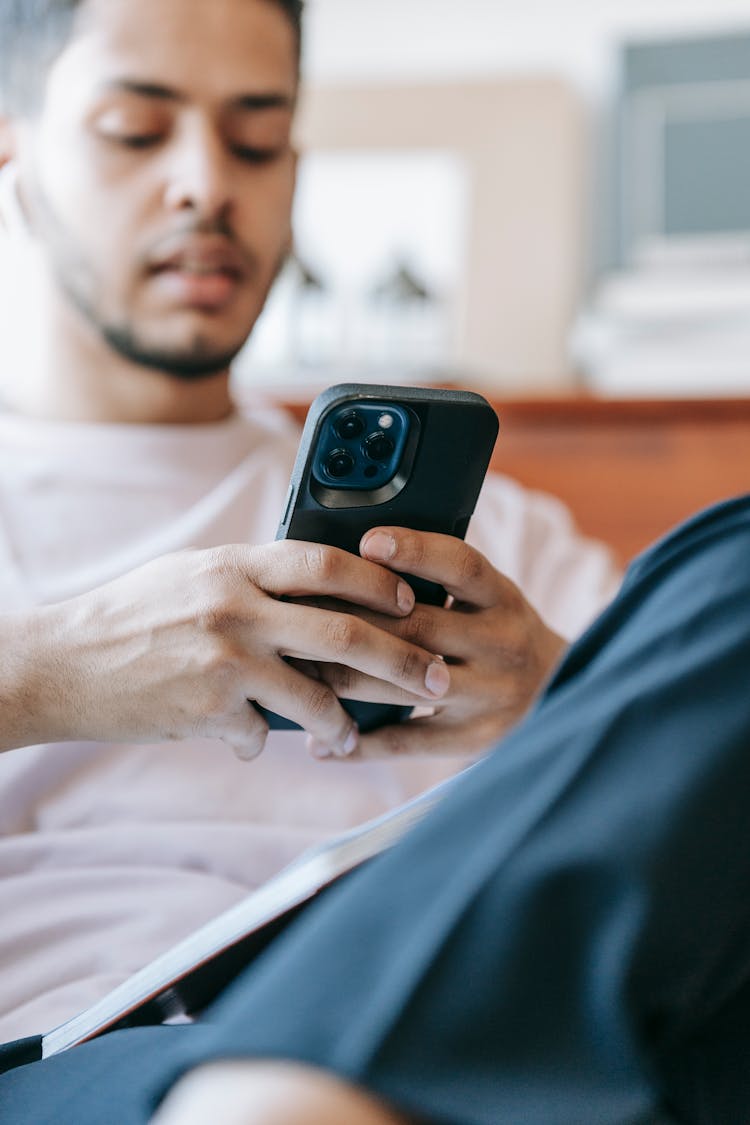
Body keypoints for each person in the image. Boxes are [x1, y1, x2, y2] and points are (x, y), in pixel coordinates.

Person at [0, 0, 619, 1046]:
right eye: (135, 131)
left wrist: (564, 709)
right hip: (103, 1051)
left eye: (257, 137)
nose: (206, 182)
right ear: (13, 142)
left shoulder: (497, 543)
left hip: (459, 1019)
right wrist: (48, 674)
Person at [2, 493, 748, 1123]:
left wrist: (558, 700)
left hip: (533, 1017)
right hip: (86, 1048)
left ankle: (305, 1086)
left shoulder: (508, 523)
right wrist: (43, 673)